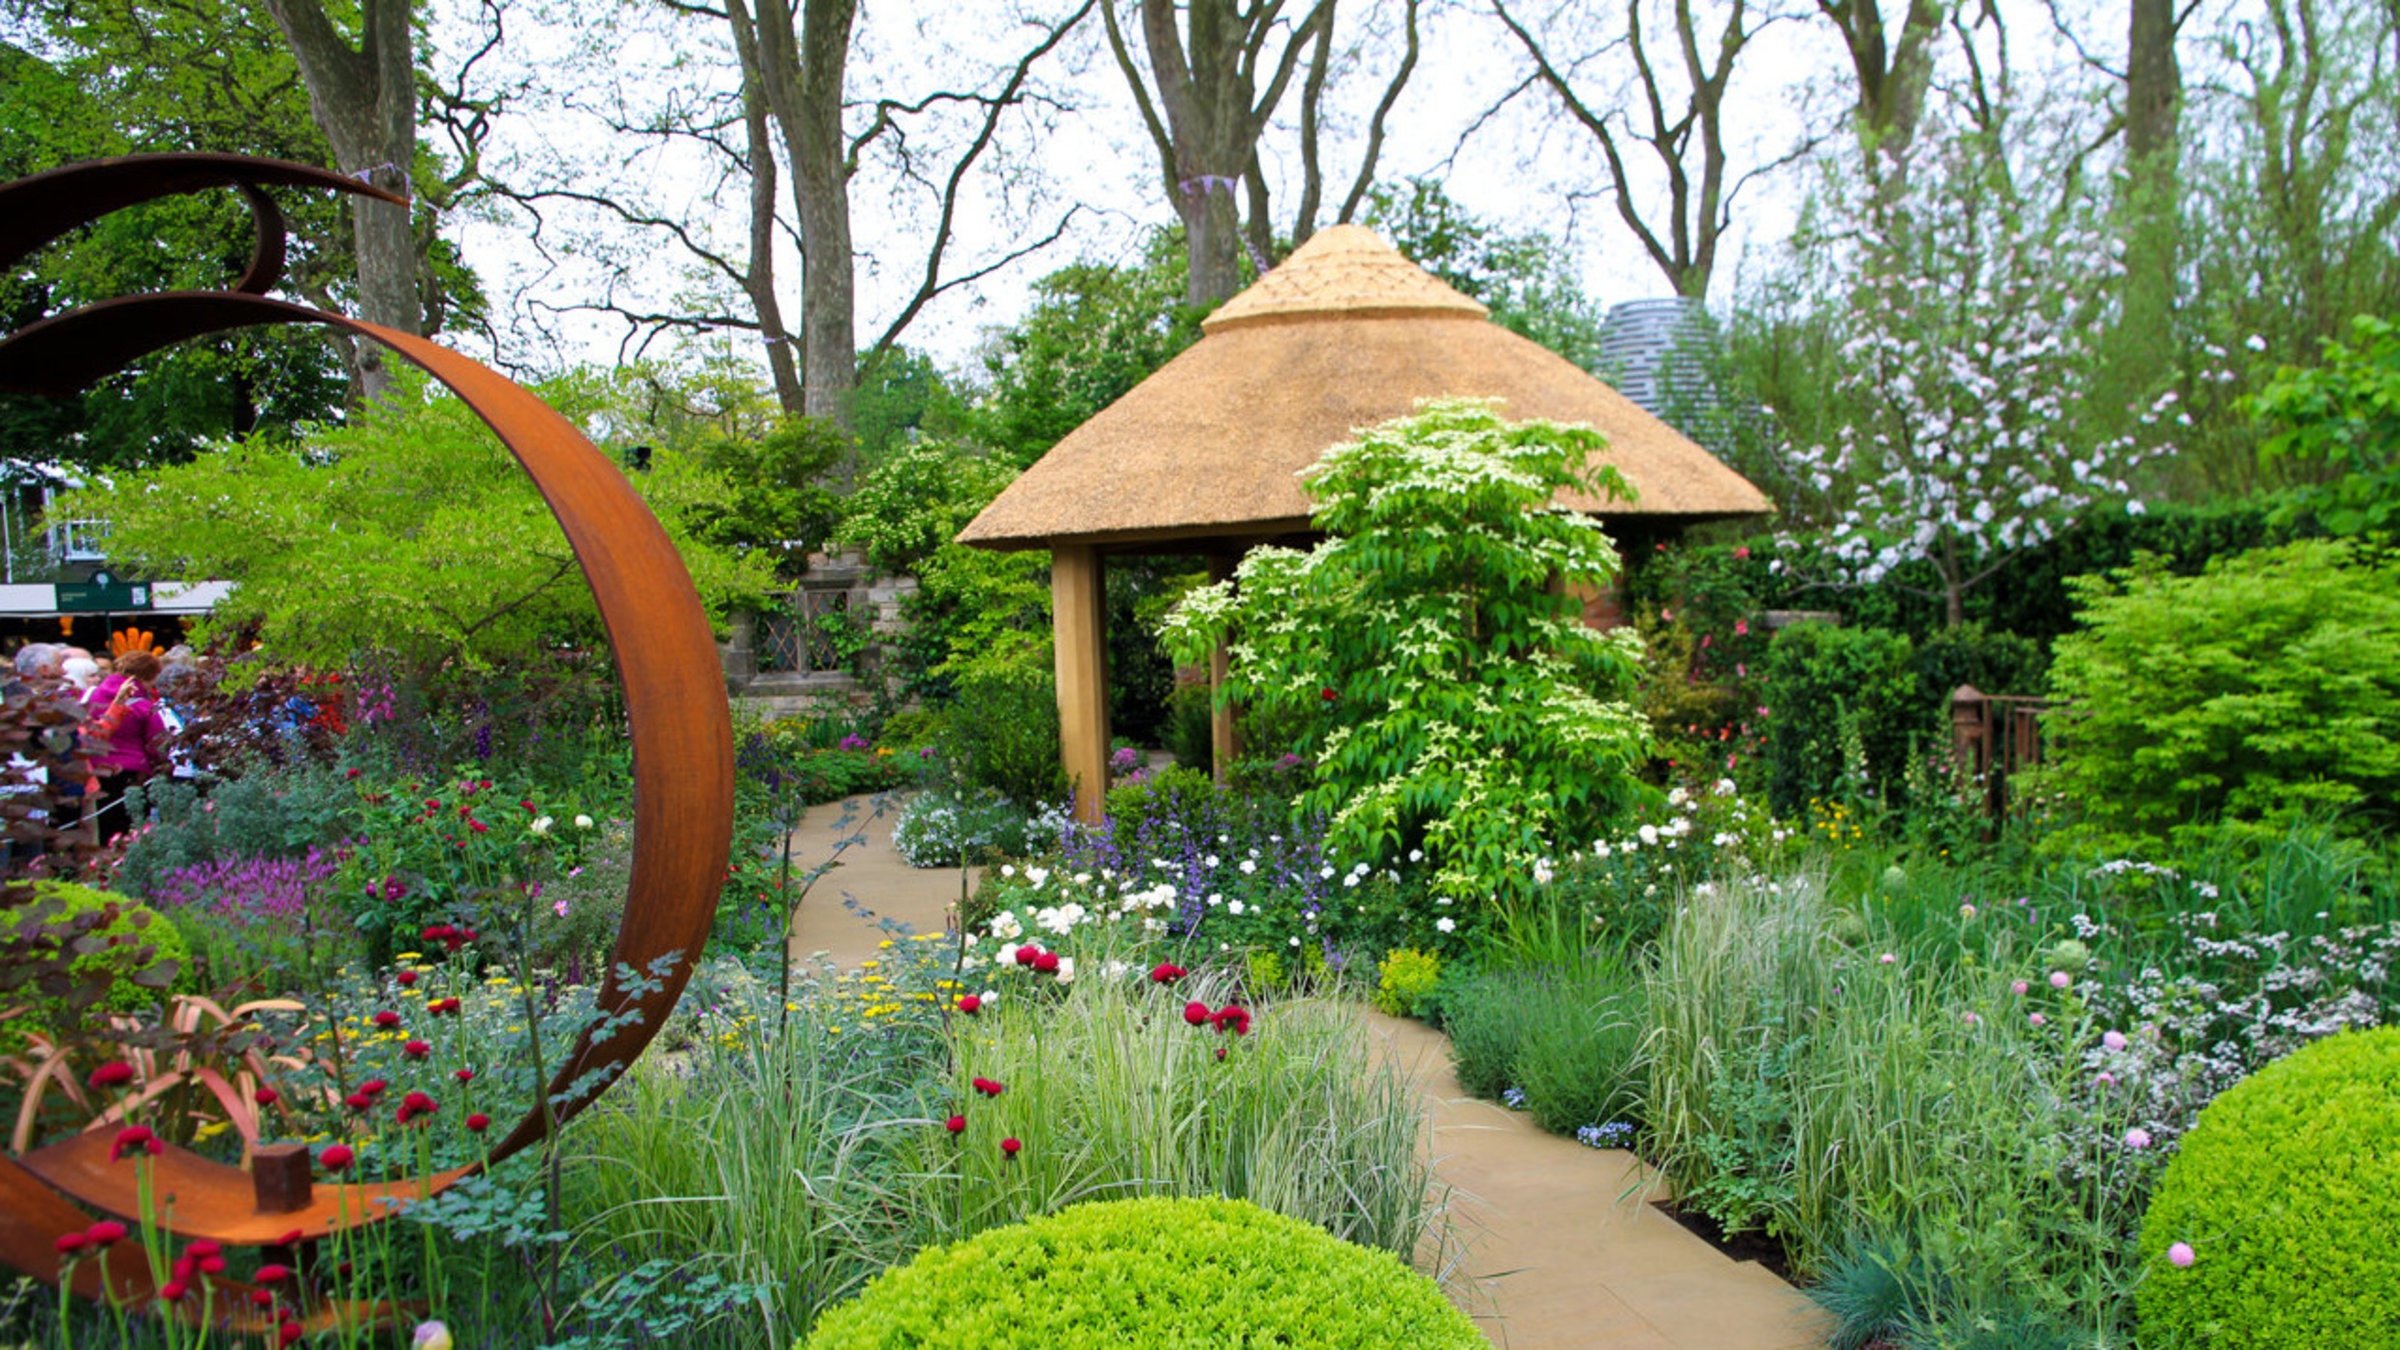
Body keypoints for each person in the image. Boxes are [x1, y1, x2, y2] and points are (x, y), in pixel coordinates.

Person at [81, 649, 171, 845]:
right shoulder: (143, 705)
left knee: (102, 827)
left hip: (96, 770)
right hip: (132, 773)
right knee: (131, 830)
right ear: (147, 677)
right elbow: (158, 742)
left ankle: (103, 860)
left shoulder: (90, 695)